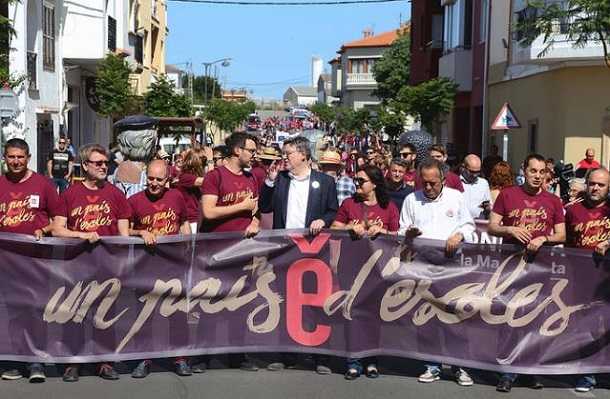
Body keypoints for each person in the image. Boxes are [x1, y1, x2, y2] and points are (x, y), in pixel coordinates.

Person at [52, 144, 132, 382]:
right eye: (97, 163)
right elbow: (57, 229)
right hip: (76, 264)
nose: (103, 166)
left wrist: (123, 261)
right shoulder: (69, 194)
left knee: (104, 313)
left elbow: (124, 234)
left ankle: (104, 362)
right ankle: (72, 363)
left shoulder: (116, 194)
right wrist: (81, 235)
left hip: (108, 264)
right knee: (75, 312)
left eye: (105, 163)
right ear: (84, 165)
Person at [488, 153, 566, 393]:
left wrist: (544, 237)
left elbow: (562, 235)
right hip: (511, 266)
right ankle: (507, 371)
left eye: (542, 172)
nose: (538, 176)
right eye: (533, 171)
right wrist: (510, 228)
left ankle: (530, 370)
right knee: (510, 317)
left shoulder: (553, 200)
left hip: (540, 267)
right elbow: (492, 226)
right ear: (524, 170)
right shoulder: (508, 194)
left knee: (535, 318)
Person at [260, 136, 338, 375]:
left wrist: (321, 220)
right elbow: (265, 207)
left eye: (289, 153)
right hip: (285, 249)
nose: (285, 157)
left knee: (316, 300)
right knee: (286, 300)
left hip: (314, 249)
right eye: (284, 153)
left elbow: (332, 210)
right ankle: (286, 354)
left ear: (304, 155)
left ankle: (320, 355)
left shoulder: (324, 182)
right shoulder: (281, 180)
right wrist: (270, 182)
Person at [398, 158, 475, 387]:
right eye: (425, 183)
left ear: (443, 179)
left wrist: (458, 235)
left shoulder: (457, 197)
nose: (429, 188)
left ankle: (460, 365)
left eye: (433, 183)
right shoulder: (412, 199)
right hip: (423, 264)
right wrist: (409, 234)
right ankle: (432, 365)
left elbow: (469, 225)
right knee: (428, 315)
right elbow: (401, 230)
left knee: (456, 314)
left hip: (452, 265)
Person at [0, 138, 64, 383]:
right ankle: (15, 359)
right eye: (11, 157)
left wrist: (45, 230)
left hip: (36, 261)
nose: (16, 161)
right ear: (5, 158)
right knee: (13, 312)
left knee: (36, 310)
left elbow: (59, 218)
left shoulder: (43, 184)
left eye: (20, 157)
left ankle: (35, 360)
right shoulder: (1, 183)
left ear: (28, 158)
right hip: (7, 261)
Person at [127, 159, 194, 378]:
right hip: (145, 266)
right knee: (146, 314)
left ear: (167, 180)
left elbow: (183, 222)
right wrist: (141, 233)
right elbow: (124, 230)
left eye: (159, 179)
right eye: (151, 178)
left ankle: (180, 358)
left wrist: (187, 243)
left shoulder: (176, 196)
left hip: (174, 265)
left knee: (176, 313)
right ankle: (144, 358)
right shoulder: (135, 200)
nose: (154, 183)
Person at [331, 165, 399, 380]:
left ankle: (372, 360)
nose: (357, 184)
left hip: (378, 268)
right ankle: (353, 360)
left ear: (375, 184)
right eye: (356, 181)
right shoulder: (349, 204)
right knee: (351, 312)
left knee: (373, 314)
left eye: (361, 181)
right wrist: (349, 227)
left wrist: (383, 231)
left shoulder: (388, 207)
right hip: (351, 266)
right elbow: (333, 227)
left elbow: (397, 235)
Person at [201, 132, 261, 371]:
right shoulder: (214, 176)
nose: (253, 155)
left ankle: (237, 354)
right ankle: (204, 354)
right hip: (215, 251)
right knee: (210, 301)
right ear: (238, 150)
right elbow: (209, 212)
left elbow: (254, 211)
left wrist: (254, 221)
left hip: (242, 251)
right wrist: (242, 206)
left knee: (239, 302)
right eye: (251, 150)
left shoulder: (251, 178)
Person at [177, 147, 211, 232]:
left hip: (199, 219)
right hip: (190, 221)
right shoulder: (185, 177)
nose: (205, 164)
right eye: (203, 161)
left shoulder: (195, 177)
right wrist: (210, 160)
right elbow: (211, 181)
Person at [460, 154, 491, 219]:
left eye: (478, 172)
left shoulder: (483, 183)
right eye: (472, 172)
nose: (475, 175)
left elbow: (488, 204)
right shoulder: (454, 182)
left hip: (478, 224)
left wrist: (488, 208)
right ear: (463, 167)